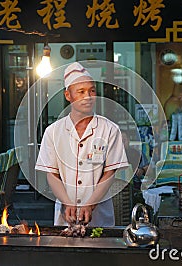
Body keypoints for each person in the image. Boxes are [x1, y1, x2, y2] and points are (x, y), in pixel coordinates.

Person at [35, 62, 128, 227]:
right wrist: (67, 202)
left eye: (92, 91)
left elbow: (109, 173)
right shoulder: (53, 131)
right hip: (65, 217)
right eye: (81, 91)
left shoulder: (110, 129)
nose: (88, 96)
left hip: (100, 218)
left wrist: (90, 204)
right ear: (68, 95)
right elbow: (52, 174)